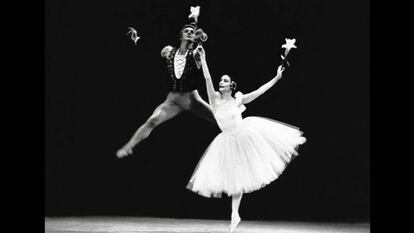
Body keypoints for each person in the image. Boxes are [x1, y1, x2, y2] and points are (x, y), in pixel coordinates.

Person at [186, 45, 306, 233]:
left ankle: (234, 214)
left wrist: (276, 77)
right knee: (235, 179)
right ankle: (235, 214)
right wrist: (204, 59)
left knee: (241, 176)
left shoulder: (238, 100)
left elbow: (260, 91)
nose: (221, 82)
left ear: (231, 85)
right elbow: (207, 78)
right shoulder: (214, 101)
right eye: (221, 80)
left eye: (225, 80)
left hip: (244, 135)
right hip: (226, 141)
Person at [116, 22, 216, 158]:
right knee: (152, 121)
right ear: (181, 35)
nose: (189, 33)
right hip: (173, 100)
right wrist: (137, 39)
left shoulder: (195, 54)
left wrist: (202, 37)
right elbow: (151, 49)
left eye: (192, 32)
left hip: (192, 99)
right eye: (186, 31)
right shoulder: (169, 51)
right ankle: (129, 146)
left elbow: (201, 47)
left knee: (219, 119)